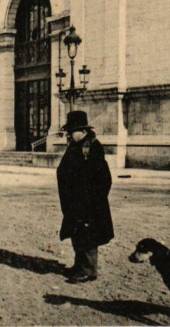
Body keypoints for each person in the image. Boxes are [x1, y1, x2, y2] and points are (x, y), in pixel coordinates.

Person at [56, 110, 113, 284]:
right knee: (77, 233)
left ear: (82, 130)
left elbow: (103, 179)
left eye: (71, 131)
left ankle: (89, 270)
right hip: (75, 202)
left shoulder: (93, 147)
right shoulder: (76, 146)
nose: (69, 135)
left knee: (88, 235)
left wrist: (93, 202)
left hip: (89, 204)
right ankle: (79, 265)